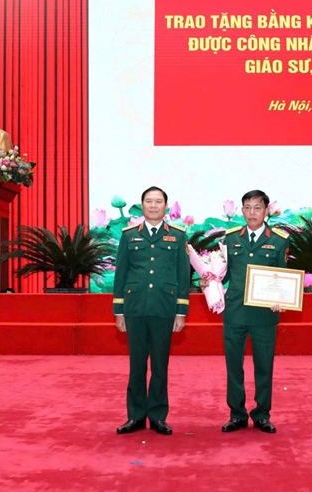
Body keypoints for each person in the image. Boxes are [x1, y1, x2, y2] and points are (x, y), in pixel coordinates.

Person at [204, 189, 289, 434]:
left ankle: (262, 415)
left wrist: (281, 299)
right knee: (234, 366)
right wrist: (208, 279)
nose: (252, 213)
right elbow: (223, 275)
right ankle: (237, 415)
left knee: (264, 367)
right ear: (241, 210)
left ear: (266, 211)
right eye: (248, 208)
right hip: (235, 312)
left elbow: (283, 276)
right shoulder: (230, 238)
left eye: (257, 208)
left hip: (264, 315)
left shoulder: (279, 240)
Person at [113, 186, 190, 436]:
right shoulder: (128, 235)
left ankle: (157, 416)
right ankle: (135, 416)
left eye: (158, 202)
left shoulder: (177, 236)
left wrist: (181, 311)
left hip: (164, 307)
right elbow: (121, 273)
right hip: (134, 307)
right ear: (142, 205)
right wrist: (119, 311)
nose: (154, 206)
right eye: (149, 201)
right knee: (137, 365)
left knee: (159, 365)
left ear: (165, 206)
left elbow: (182, 275)